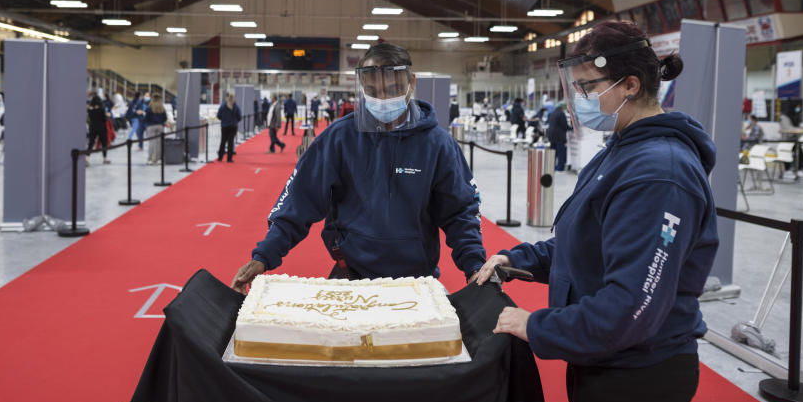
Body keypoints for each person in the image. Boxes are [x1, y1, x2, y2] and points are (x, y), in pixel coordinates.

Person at [474, 21, 718, 402]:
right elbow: (586, 240)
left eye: (587, 87)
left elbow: (632, 306)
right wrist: (519, 259)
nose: (578, 99)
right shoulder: (623, 151)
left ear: (629, 85)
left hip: (638, 373)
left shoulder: (658, 173)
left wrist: (536, 326)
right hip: (604, 358)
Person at [232, 42, 487, 292]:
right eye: (373, 91)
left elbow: (460, 213)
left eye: (394, 88)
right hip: (349, 275)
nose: (384, 98)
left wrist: (474, 267)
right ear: (363, 88)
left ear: (412, 83)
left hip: (417, 280)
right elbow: (299, 200)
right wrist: (264, 255)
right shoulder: (339, 138)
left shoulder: (438, 144)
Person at [546, 102, 573, 171]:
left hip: (551, 134)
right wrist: (571, 128)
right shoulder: (561, 114)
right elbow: (564, 125)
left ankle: (551, 166)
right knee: (561, 151)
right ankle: (560, 167)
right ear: (562, 107)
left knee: (553, 151)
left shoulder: (551, 113)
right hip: (558, 135)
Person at [143, 93, 168, 165]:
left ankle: (150, 159)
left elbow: (146, 118)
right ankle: (158, 159)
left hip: (151, 126)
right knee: (159, 144)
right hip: (160, 126)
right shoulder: (162, 108)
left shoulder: (149, 108)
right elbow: (165, 118)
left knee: (151, 143)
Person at [216, 92, 242, 162]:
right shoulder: (236, 107)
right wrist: (235, 121)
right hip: (233, 126)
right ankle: (229, 159)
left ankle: (220, 158)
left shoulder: (223, 106)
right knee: (230, 142)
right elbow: (239, 117)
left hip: (224, 126)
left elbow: (218, 115)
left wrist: (223, 120)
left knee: (223, 142)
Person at [87, 94, 110, 165]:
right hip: (101, 128)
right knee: (104, 144)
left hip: (92, 128)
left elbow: (90, 119)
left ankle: (86, 159)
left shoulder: (90, 110)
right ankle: (105, 159)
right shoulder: (102, 110)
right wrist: (107, 116)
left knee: (91, 143)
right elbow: (104, 119)